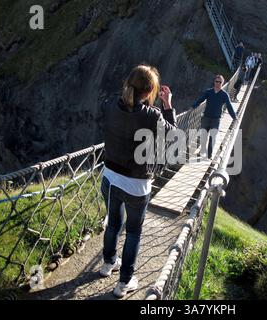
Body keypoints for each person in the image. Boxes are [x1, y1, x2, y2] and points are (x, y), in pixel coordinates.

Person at [100, 64, 177, 298]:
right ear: (150, 90)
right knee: (133, 232)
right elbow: (173, 136)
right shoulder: (152, 116)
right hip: (136, 184)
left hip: (109, 178)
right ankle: (124, 283)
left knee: (113, 223)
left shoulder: (110, 105)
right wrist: (168, 106)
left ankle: (107, 264)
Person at [191, 75, 237, 159]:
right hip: (206, 117)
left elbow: (229, 106)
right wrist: (194, 105)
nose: (218, 83)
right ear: (214, 82)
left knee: (213, 138)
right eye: (217, 81)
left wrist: (234, 117)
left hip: (216, 119)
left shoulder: (224, 95)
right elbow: (201, 99)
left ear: (222, 83)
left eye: (220, 82)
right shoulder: (208, 92)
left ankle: (209, 155)